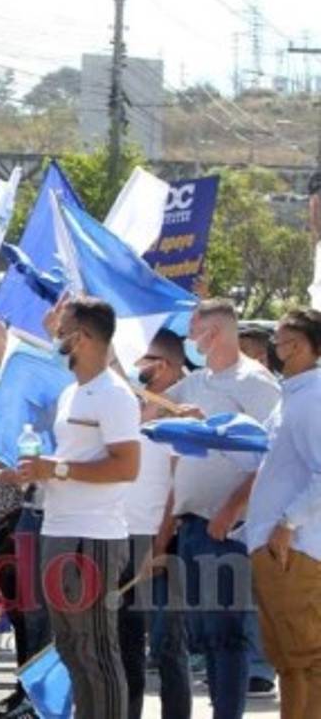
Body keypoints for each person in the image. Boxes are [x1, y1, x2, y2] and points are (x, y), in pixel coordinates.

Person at [13, 296, 141, 719]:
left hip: (94, 535)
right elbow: (72, 460)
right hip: (59, 528)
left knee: (96, 650)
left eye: (61, 329)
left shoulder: (115, 394)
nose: (54, 334)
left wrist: (58, 469)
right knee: (70, 646)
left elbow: (127, 466)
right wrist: (38, 472)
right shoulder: (72, 391)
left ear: (82, 337)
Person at [161, 298, 281, 718]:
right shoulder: (197, 382)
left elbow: (274, 455)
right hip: (194, 524)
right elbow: (146, 405)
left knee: (227, 634)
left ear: (213, 332)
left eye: (194, 330)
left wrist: (232, 506)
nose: (190, 339)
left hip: (230, 528)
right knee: (208, 636)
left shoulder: (256, 382)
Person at [247, 310, 321, 719]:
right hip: (278, 544)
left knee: (307, 660)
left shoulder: (313, 398)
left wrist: (288, 523)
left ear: (302, 347)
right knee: (290, 662)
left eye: (280, 340)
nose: (274, 348)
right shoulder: (291, 396)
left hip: (296, 547)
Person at [125, 329, 192, 719]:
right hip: (123, 536)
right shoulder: (132, 409)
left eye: (143, 360)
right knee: (127, 644)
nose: (136, 366)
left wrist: (161, 544)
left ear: (162, 365)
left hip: (160, 541)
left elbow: (178, 486)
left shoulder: (179, 415)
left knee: (168, 646)